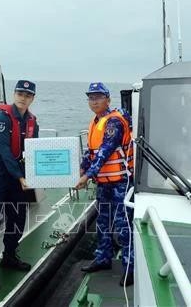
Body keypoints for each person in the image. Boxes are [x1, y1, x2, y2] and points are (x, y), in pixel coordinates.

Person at [0, 80, 40, 290]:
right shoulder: (1, 118)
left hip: (17, 172)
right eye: (20, 93)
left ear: (32, 99)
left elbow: (34, 151)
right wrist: (21, 177)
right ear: (14, 94)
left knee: (18, 214)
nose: (23, 97)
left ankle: (9, 256)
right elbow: (4, 151)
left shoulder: (32, 121)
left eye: (27, 95)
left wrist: (38, 174)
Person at [75, 82, 134, 287]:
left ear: (108, 99)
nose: (94, 101)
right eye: (91, 97)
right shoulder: (95, 122)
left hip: (120, 183)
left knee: (123, 226)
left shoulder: (114, 123)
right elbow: (91, 150)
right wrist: (83, 166)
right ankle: (103, 259)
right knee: (102, 223)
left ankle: (129, 268)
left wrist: (88, 175)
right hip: (104, 183)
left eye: (98, 97)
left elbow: (105, 150)